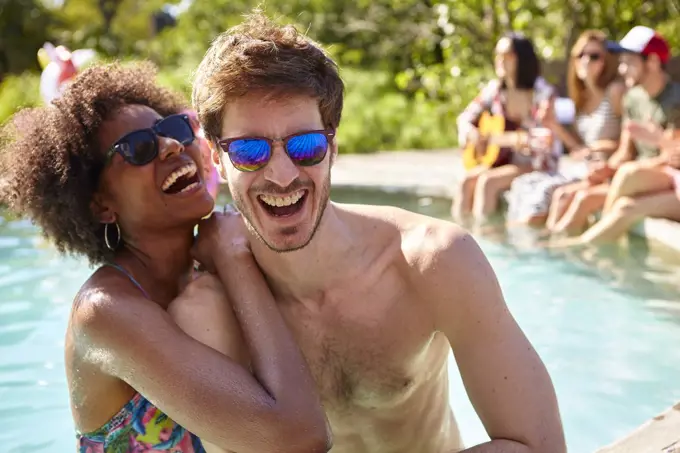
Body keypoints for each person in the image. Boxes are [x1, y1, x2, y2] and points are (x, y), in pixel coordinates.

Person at [192, 13, 566, 453]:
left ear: (332, 147)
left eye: (305, 145)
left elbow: (539, 446)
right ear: (213, 156)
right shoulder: (208, 314)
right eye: (250, 150)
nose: (281, 173)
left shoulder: (431, 262)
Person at [0, 62, 330, 453]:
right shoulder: (106, 312)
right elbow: (301, 437)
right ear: (100, 204)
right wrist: (233, 258)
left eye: (172, 129)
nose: (171, 145)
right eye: (139, 148)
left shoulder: (202, 273)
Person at [551, 26, 680, 244]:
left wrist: (658, 141)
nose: (621, 69)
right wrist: (607, 169)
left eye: (629, 62)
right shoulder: (633, 98)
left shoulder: (675, 101)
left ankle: (575, 248)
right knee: (586, 196)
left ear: (653, 62)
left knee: (627, 175)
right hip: (642, 177)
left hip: (666, 180)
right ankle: (558, 245)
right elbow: (625, 151)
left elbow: (673, 158)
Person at [506, 29, 625, 227]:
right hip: (585, 166)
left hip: (606, 170)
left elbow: (629, 143)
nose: (586, 60)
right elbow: (579, 148)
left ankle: (527, 242)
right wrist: (552, 125)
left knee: (550, 192)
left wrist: (596, 149)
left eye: (594, 56)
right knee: (524, 183)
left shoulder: (614, 92)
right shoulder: (581, 98)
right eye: (580, 55)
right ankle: (517, 236)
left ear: (606, 61)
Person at [452, 32, 557, 222]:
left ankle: (485, 241)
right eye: (497, 55)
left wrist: (498, 139)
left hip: (534, 164)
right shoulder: (494, 90)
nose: (500, 60)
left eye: (506, 55)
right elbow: (464, 119)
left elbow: (543, 140)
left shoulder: (542, 93)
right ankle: (458, 236)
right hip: (502, 161)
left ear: (522, 59)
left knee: (488, 182)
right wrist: (473, 134)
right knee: (466, 181)